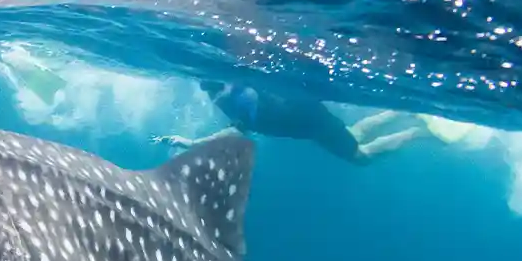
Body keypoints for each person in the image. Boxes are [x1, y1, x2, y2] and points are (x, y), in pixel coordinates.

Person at [158, 80, 468, 164]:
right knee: (353, 132)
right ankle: (403, 111)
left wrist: (193, 143)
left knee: (361, 156)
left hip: (309, 122)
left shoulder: (231, 99)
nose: (211, 97)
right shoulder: (236, 89)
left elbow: (235, 129)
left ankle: (419, 132)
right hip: (309, 119)